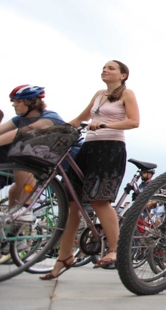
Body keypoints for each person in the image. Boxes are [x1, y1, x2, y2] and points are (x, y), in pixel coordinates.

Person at [40, 60, 140, 280]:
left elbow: (134, 122)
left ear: (123, 75)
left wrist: (105, 125)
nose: (105, 70)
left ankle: (114, 249)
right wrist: (59, 130)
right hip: (88, 147)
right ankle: (64, 257)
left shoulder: (128, 93)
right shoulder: (99, 94)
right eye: (104, 67)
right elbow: (81, 118)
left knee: (99, 200)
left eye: (111, 68)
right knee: (71, 204)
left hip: (110, 148)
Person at [0, 86, 76, 213]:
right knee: (14, 188)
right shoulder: (19, 119)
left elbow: (19, 133)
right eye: (13, 101)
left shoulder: (49, 117)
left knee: (21, 164)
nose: (14, 105)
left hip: (72, 159)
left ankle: (26, 209)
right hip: (49, 161)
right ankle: (12, 223)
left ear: (32, 102)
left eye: (19, 101)